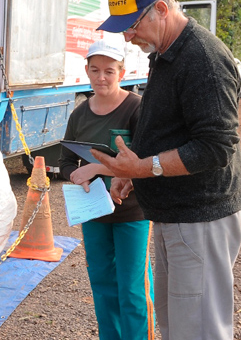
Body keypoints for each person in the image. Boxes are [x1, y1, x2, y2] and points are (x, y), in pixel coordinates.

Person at [92, 0, 241, 340]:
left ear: (161, 9)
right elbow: (166, 125)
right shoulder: (165, 53)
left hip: (200, 218)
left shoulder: (202, 59)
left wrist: (144, 167)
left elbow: (217, 146)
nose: (127, 36)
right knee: (176, 326)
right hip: (176, 217)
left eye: (131, 25)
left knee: (199, 331)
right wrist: (132, 170)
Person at [59, 39, 154, 340]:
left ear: (122, 73)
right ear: (86, 70)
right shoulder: (79, 114)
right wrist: (77, 176)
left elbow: (145, 164)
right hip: (94, 213)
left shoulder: (137, 109)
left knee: (132, 288)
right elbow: (64, 161)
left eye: (109, 71)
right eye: (95, 70)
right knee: (102, 285)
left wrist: (98, 168)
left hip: (132, 213)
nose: (102, 77)